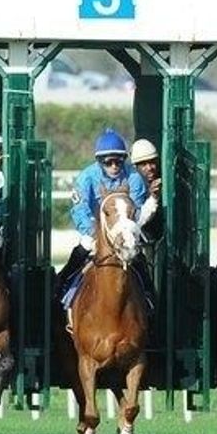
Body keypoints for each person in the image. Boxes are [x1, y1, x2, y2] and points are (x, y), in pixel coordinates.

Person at [55, 129, 150, 304]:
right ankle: (61, 288)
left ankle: (150, 297)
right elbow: (79, 209)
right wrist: (94, 232)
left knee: (140, 261)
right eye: (109, 162)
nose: (114, 166)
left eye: (119, 161)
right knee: (83, 248)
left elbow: (136, 210)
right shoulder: (86, 177)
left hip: (125, 231)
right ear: (99, 162)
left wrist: (123, 232)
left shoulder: (134, 177)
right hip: (95, 231)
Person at [129, 138, 163, 247]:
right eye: (143, 164)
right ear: (135, 167)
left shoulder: (163, 180)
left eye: (152, 162)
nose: (149, 168)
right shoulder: (130, 185)